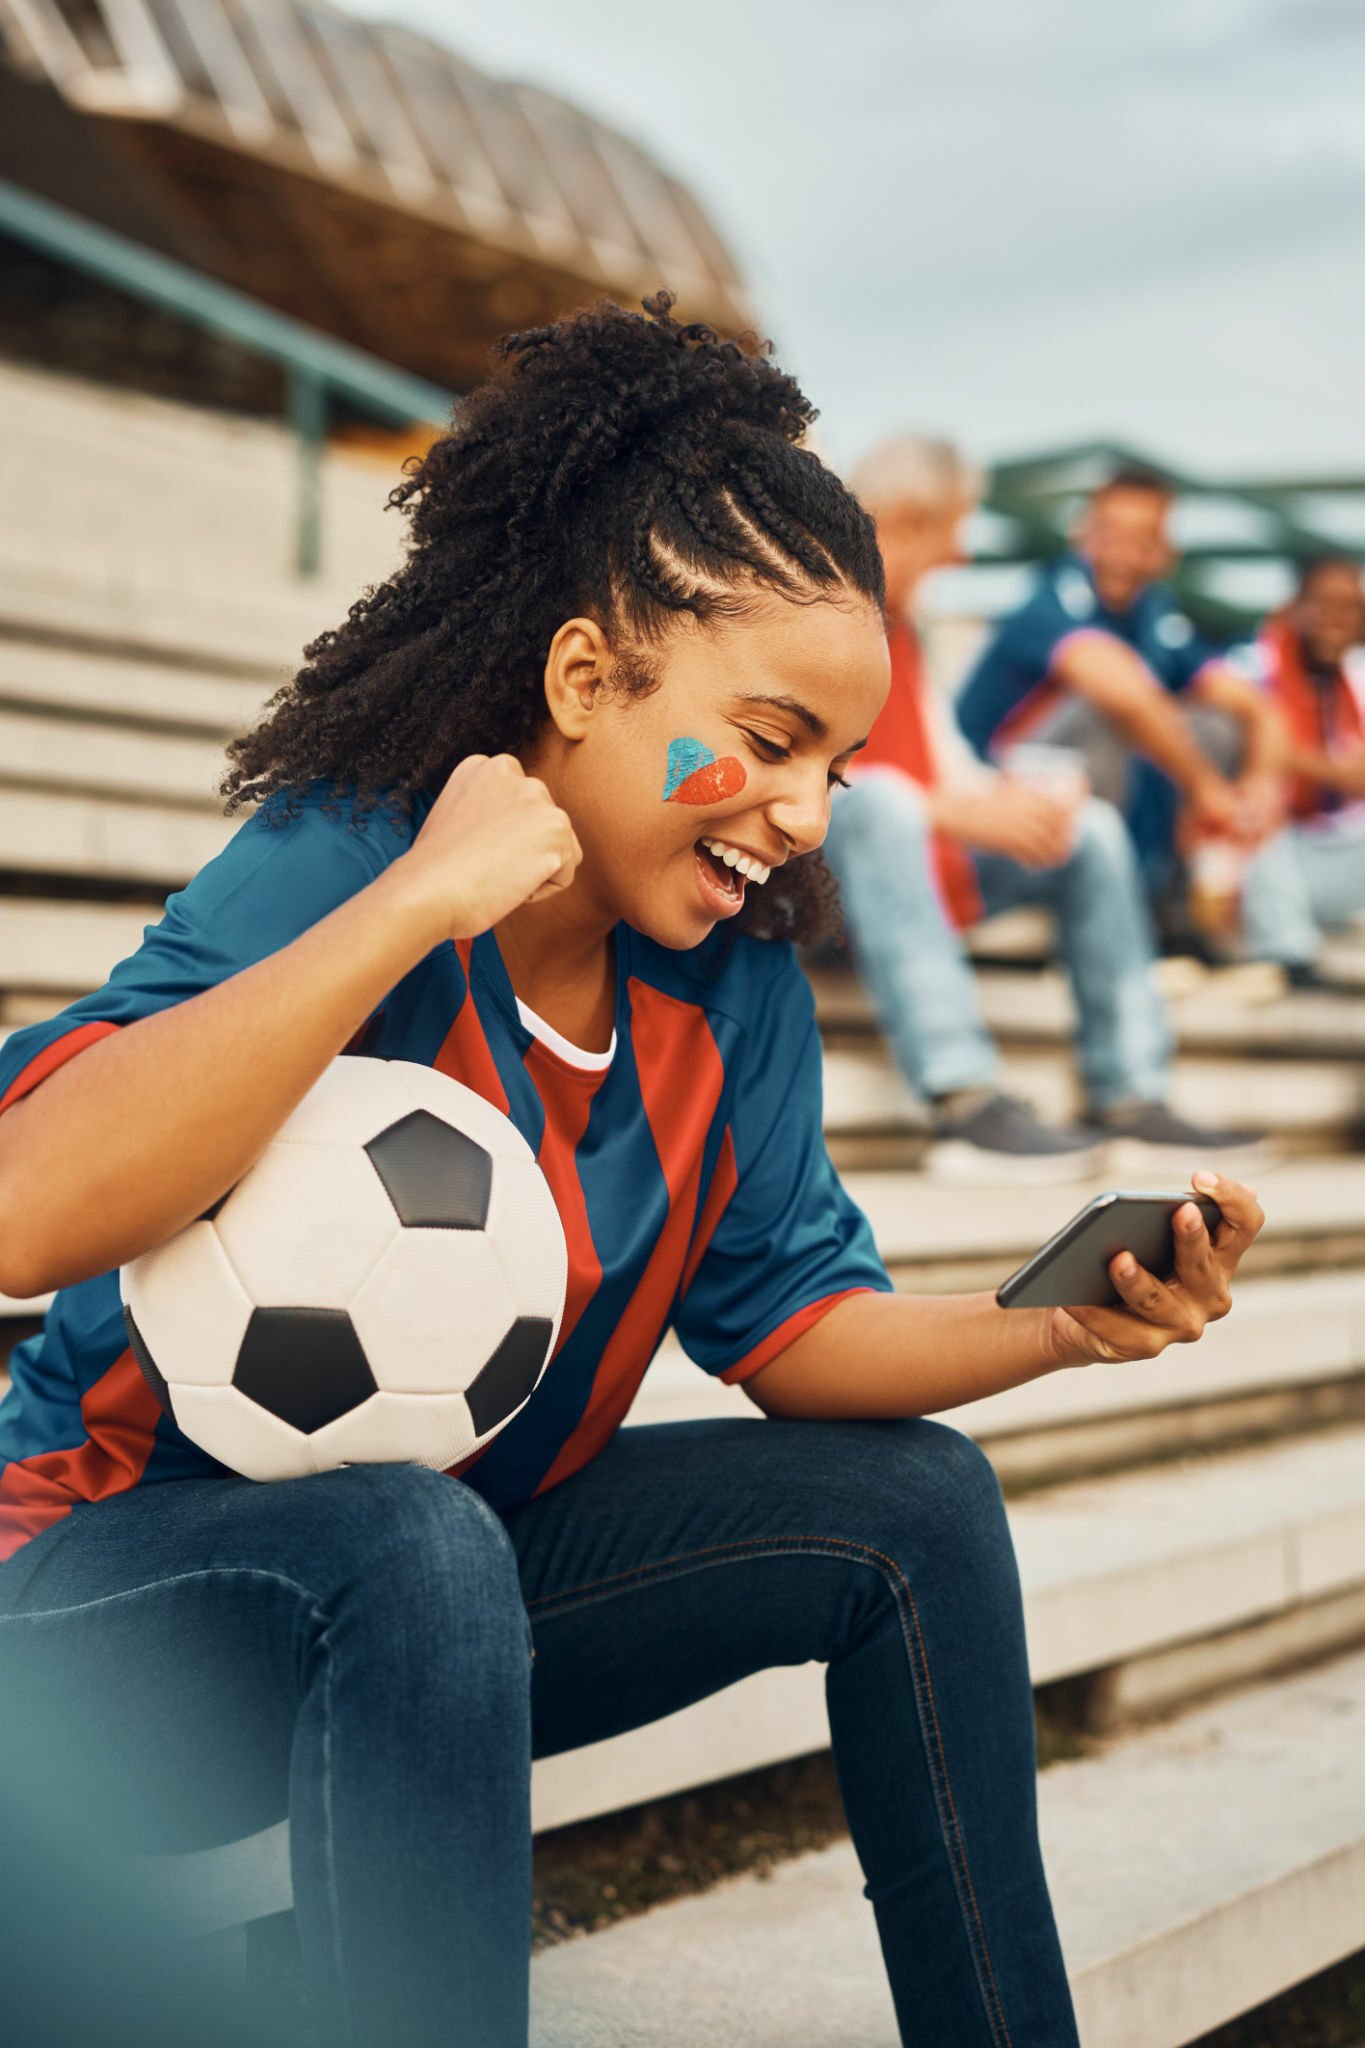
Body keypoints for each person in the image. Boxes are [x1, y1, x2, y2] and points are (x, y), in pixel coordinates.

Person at [0, 296, 1265, 2048]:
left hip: (426, 1614)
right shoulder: (349, 857)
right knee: (419, 1541)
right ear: (587, 679)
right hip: (81, 1617)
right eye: (772, 734)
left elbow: (801, 1327)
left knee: (916, 1510)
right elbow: (28, 1209)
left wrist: (1061, 1320)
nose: (810, 810)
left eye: (842, 758)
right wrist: (414, 909)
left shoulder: (727, 982)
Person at [821, 434, 1263, 1179]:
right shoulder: (803, 603)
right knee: (891, 803)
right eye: (954, 530)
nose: (960, 556)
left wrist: (1008, 805)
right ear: (902, 517)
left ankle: (1128, 1094)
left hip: (911, 864)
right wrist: (949, 810)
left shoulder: (903, 626)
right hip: (808, 880)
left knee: (1086, 828)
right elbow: (782, 768)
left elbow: (948, 764)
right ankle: (962, 1099)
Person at [954, 464, 1289, 917]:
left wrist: (1259, 785)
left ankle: (1175, 906)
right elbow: (1121, 691)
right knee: (1111, 712)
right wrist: (1206, 788)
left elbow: (1255, 706)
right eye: (1110, 534)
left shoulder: (1156, 615)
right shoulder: (1050, 600)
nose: (1123, 554)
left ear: (1164, 552)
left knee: (1215, 724)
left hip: (1082, 806)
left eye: (1143, 540)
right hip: (984, 807)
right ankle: (1093, 906)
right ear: (1084, 535)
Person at [1236, 553, 1365, 981]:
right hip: (1239, 862)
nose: (1337, 619)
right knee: (1261, 807)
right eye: (1325, 604)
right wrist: (1334, 771)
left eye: (1349, 606)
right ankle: (1288, 955)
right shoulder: (1250, 663)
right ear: (1295, 607)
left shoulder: (1352, 679)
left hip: (1313, 853)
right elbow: (1260, 756)